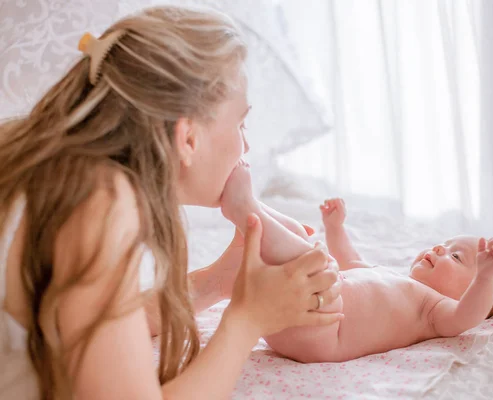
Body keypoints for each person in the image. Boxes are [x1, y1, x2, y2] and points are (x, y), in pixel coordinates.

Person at [0, 6, 343, 399]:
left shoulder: (55, 167)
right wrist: (247, 321)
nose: (246, 146)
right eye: (240, 123)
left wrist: (220, 280)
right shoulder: (99, 205)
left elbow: (102, 323)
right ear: (188, 138)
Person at [220, 163, 493, 363]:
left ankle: (246, 210)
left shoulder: (434, 309)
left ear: (468, 292)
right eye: (447, 243)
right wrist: (335, 228)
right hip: (285, 311)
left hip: (321, 331)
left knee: (311, 260)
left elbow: (467, 316)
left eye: (455, 256)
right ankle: (252, 218)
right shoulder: (391, 277)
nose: (440, 247)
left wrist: (486, 278)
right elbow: (350, 260)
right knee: (300, 237)